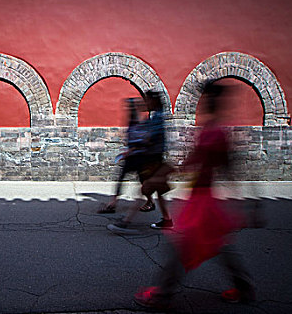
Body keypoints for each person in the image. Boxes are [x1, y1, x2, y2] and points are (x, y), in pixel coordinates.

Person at [134, 83, 254, 309]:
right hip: (204, 199)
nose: (204, 102)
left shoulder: (214, 132)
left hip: (202, 201)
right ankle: (244, 288)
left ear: (213, 101)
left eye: (207, 98)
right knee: (218, 245)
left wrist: (158, 177)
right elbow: (228, 168)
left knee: (183, 246)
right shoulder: (216, 129)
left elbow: (195, 163)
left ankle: (162, 295)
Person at [106, 91, 174, 233]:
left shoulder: (156, 118)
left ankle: (125, 222)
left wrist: (132, 150)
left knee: (143, 190)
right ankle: (167, 220)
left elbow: (148, 139)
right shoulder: (157, 116)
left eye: (148, 100)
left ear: (153, 101)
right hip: (155, 160)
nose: (146, 103)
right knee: (159, 192)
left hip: (153, 161)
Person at [97, 97, 155, 214]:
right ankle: (113, 203)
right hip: (132, 157)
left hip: (139, 158)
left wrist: (130, 150)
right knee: (123, 178)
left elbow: (142, 141)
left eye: (130, 109)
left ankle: (149, 202)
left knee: (142, 181)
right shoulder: (132, 124)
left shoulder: (139, 124)